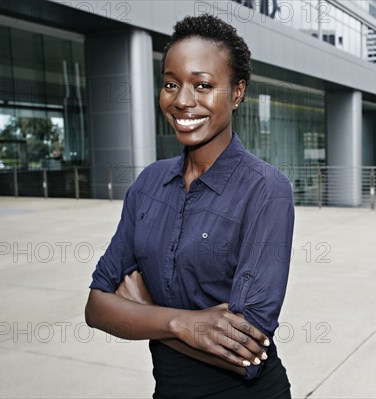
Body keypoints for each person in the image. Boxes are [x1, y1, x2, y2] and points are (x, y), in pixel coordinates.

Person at [84, 14, 295, 399]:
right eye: (170, 83)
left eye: (203, 85)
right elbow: (97, 308)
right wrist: (185, 323)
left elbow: (247, 349)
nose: (182, 100)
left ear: (237, 92)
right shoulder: (149, 183)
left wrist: (145, 313)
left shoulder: (266, 188)